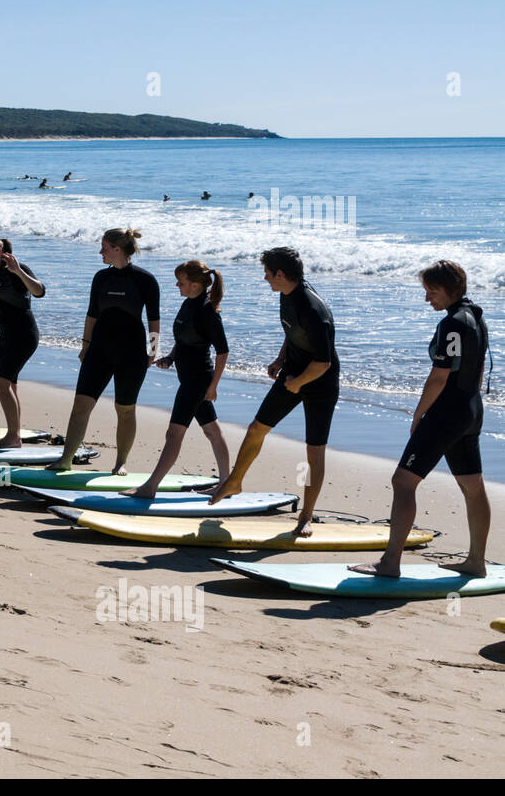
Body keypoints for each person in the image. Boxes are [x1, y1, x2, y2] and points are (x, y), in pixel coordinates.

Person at [350, 261, 491, 579]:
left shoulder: (452, 323)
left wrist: (419, 414)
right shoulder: (477, 318)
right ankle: (476, 561)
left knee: (403, 481)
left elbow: (440, 376)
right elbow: (477, 370)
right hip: (471, 410)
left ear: (451, 290)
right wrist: (467, 406)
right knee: (472, 486)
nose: (428, 298)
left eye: (432, 291)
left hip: (447, 413)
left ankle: (390, 563)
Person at [208, 247, 339, 535]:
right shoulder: (286, 294)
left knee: (314, 452)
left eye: (267, 273)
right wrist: (281, 359)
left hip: (320, 383)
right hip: (293, 373)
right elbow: (291, 331)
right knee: (257, 428)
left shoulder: (314, 309)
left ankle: (306, 515)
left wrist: (298, 382)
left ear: (281, 274)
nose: (265, 278)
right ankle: (235, 481)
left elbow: (324, 362)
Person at [47, 228, 160, 472]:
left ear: (117, 249)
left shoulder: (145, 280)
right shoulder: (101, 278)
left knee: (125, 409)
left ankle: (121, 463)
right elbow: (91, 315)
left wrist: (153, 351)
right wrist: (84, 346)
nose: (101, 252)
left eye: (104, 247)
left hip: (131, 353)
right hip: (99, 350)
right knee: (81, 404)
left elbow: (154, 320)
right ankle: (66, 459)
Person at [123, 261, 230, 499]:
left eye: (181, 282)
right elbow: (185, 341)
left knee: (174, 433)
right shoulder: (189, 303)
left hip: (198, 381)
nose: (177, 285)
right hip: (189, 378)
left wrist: (213, 386)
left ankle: (150, 487)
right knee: (212, 431)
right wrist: (170, 357)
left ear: (195, 285)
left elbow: (223, 351)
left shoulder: (207, 311)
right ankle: (225, 483)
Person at [0, 235, 44, 448]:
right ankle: (15, 436)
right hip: (5, 335)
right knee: (10, 385)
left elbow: (39, 291)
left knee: (1, 383)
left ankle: (13, 437)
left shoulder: (18, 268)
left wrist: (18, 272)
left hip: (24, 334)